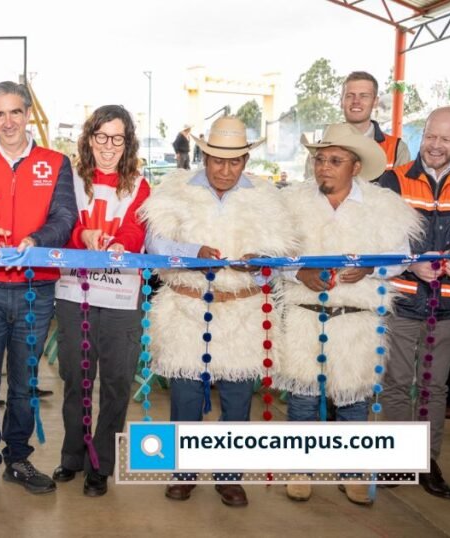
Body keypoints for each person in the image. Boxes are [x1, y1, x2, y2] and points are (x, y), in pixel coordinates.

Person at [142, 116, 297, 508]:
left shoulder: (265, 198)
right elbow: (154, 242)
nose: (225, 170)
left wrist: (260, 260)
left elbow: (282, 251)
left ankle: (229, 477)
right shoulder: (174, 191)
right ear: (205, 156)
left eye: (234, 162)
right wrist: (193, 252)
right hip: (186, 308)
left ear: (245, 160)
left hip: (242, 311)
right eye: (217, 161)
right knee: (186, 397)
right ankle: (185, 472)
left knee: (237, 398)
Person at [278, 123, 422, 505]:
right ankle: (300, 468)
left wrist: (371, 268)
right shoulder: (290, 204)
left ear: (355, 167)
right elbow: (273, 255)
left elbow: (401, 257)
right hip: (304, 313)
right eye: (320, 159)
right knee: (304, 397)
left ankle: (352, 469)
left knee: (353, 398)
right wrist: (298, 273)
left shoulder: (383, 208)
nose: (324, 167)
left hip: (358, 316)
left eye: (335, 160)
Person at [0, 81, 77, 507]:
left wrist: (37, 241)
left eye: (15, 112)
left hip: (34, 290)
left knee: (25, 384)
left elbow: (66, 216)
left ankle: (19, 460)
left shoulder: (55, 163)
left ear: (28, 114)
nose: (7, 122)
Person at [378, 106, 450, 500]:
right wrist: (415, 263)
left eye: (445, 139)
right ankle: (395, 460)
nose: (435, 146)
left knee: (434, 387)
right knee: (395, 383)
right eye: (430, 137)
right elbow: (390, 233)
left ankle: (426, 461)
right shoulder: (394, 179)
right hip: (404, 296)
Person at [52, 105, 149, 497]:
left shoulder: (140, 184)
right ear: (89, 138)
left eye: (117, 138)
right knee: (76, 378)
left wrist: (121, 242)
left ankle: (100, 463)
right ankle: (73, 454)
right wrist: (82, 237)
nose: (109, 146)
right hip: (75, 293)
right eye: (101, 137)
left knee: (116, 382)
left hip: (122, 295)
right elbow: (62, 222)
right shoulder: (70, 179)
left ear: (128, 143)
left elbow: (137, 229)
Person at [304, 71, 410, 179]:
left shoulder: (397, 150)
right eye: (350, 96)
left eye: (364, 96)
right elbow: (309, 193)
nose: (356, 101)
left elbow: (401, 193)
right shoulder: (318, 152)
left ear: (375, 102)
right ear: (341, 101)